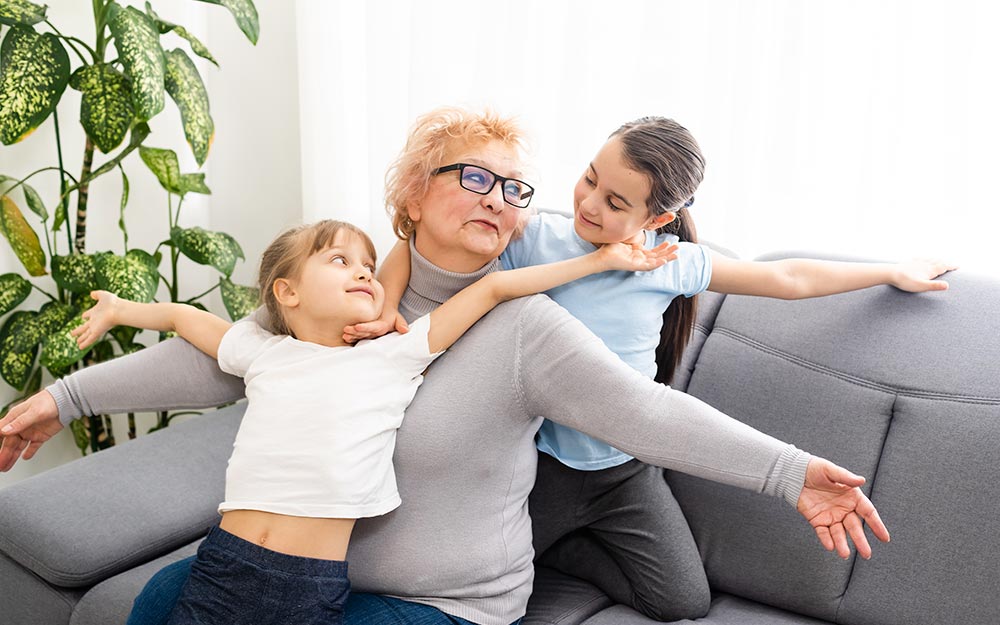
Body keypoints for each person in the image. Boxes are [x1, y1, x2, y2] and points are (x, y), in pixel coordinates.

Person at [0, 107, 891, 625]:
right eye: (476, 178)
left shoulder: (524, 322)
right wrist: (60, 399)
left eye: (514, 191)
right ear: (414, 192)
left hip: (445, 603)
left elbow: (640, 412)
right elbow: (220, 358)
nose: (501, 201)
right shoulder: (351, 298)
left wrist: (793, 472)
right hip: (304, 577)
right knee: (149, 606)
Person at [347, 116, 954, 620]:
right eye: (587, 179)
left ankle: (571, 550)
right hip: (548, 465)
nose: (587, 203)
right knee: (494, 562)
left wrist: (888, 271)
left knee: (681, 601)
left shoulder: (672, 262)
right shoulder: (534, 238)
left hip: (624, 468)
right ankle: (553, 548)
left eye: (614, 202)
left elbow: (788, 278)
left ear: (657, 219)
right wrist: (383, 307)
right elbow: (422, 232)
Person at [67, 219, 675, 625]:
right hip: (223, 563)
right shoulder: (261, 352)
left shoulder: (396, 355)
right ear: (287, 293)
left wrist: (597, 261)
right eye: (339, 261)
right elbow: (181, 319)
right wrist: (121, 310)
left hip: (312, 587)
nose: (363, 272)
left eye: (367, 264)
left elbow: (494, 291)